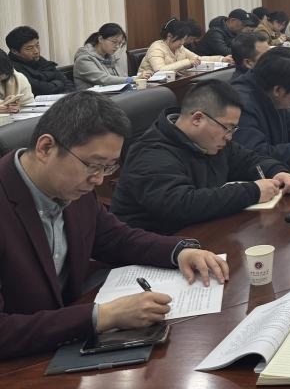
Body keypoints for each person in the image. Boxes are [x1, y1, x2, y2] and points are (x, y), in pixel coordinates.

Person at [0, 91, 228, 360]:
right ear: (46, 148)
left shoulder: (71, 188)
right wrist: (103, 315)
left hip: (64, 344)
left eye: (108, 167)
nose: (98, 180)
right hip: (19, 365)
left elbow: (116, 238)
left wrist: (179, 252)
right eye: (93, 165)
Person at [111, 80, 290, 234]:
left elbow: (248, 159)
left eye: (233, 129)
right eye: (227, 127)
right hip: (157, 248)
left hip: (203, 233)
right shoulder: (150, 154)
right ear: (197, 119)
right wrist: (253, 192)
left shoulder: (211, 141)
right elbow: (182, 205)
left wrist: (276, 171)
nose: (229, 136)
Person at [137, 19, 226, 79]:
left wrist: (221, 59)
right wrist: (188, 62)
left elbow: (197, 58)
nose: (182, 43)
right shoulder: (156, 48)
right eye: (180, 39)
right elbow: (160, 70)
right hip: (147, 85)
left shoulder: (179, 48)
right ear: (169, 36)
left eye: (184, 39)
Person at [5, 26, 73, 95]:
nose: (36, 51)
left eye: (37, 45)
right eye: (29, 48)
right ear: (14, 51)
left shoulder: (37, 58)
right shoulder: (11, 68)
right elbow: (40, 89)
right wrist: (59, 83)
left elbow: (66, 81)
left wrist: (68, 96)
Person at [73, 23, 133, 89]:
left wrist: (133, 79)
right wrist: (130, 79)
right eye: (114, 42)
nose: (117, 46)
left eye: (120, 43)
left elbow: (122, 77)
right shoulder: (83, 59)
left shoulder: (110, 56)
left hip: (113, 93)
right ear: (100, 39)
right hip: (92, 95)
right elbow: (103, 79)